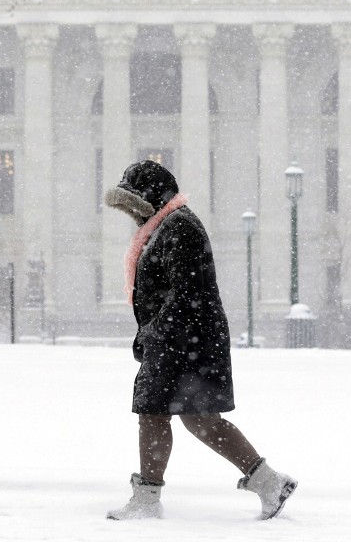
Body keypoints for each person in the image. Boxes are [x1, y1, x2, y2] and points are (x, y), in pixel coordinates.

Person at [104, 160, 298, 520]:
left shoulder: (179, 228)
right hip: (188, 341)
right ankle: (269, 482)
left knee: (154, 414)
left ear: (150, 197)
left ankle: (147, 500)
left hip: (182, 344)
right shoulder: (166, 227)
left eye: (134, 203)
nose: (130, 213)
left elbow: (185, 294)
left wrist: (154, 334)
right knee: (202, 420)